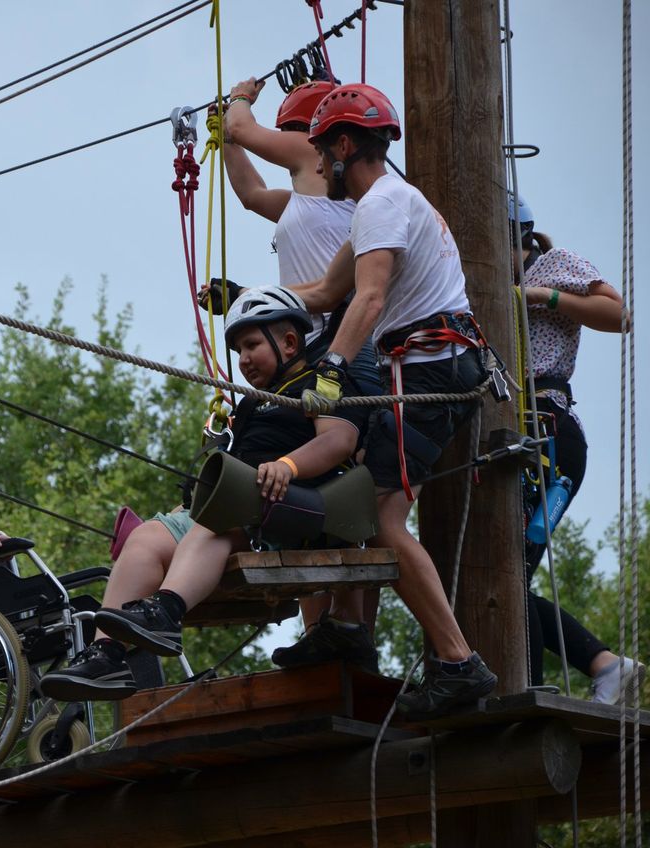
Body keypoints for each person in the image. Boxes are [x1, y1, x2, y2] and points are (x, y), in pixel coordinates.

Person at [38, 287, 370, 701]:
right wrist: (188, 506)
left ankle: (167, 610)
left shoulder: (323, 384)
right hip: (235, 507)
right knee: (148, 538)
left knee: (214, 524)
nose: (244, 359)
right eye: (238, 350)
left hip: (291, 510)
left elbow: (338, 442)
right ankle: (105, 656)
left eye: (251, 345)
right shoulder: (251, 404)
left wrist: (288, 466)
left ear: (288, 342)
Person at [287, 83, 498, 721]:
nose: (320, 167)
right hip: (435, 364)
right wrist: (253, 297)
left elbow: (369, 300)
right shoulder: (387, 204)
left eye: (324, 152)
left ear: (346, 145)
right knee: (359, 494)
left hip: (426, 368)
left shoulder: (380, 204)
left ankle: (458, 663)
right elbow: (327, 290)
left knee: (379, 518)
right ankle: (348, 627)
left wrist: (330, 368)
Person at [221, 75, 384, 648]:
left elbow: (246, 127)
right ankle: (327, 629)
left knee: (330, 474)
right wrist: (225, 137)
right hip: (310, 346)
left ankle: (344, 625)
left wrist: (237, 101)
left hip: (335, 343)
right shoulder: (309, 200)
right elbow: (247, 193)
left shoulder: (311, 155)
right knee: (317, 484)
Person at [509, 196, 644, 705]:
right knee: (504, 572)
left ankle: (525, 684)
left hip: (548, 430)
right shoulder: (475, 281)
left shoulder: (553, 263)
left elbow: (618, 314)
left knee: (508, 568)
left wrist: (545, 297)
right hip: (511, 429)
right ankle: (603, 664)